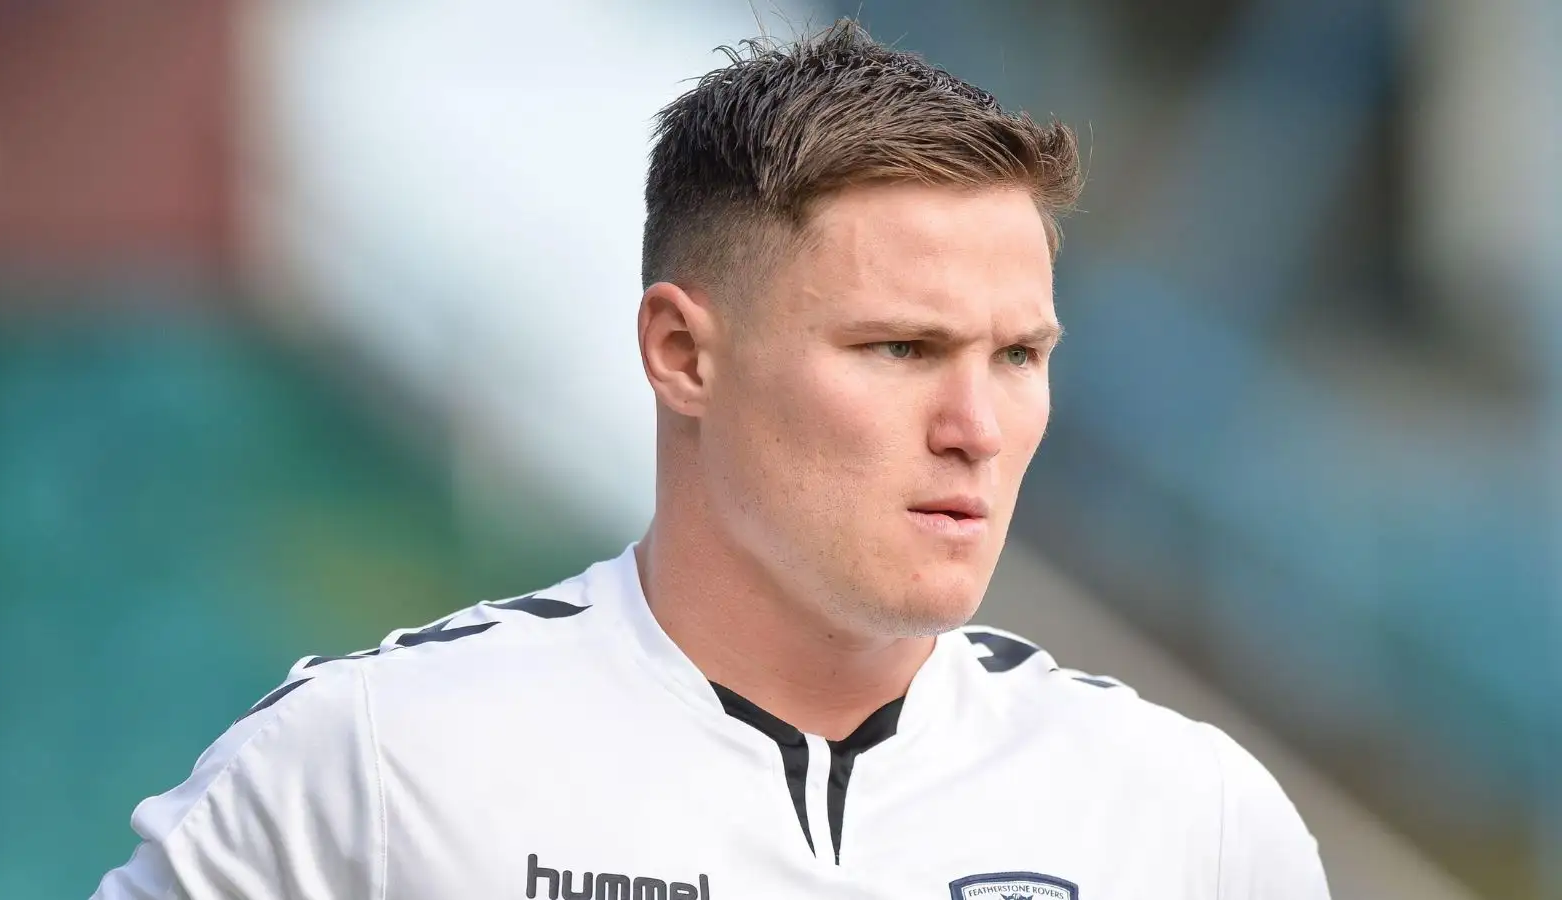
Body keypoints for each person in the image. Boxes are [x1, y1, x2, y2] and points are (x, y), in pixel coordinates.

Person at [92, 19, 1329, 900]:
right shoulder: (371, 768)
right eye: (900, 348)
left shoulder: (1191, 821)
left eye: (1017, 355)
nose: (976, 425)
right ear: (682, 353)